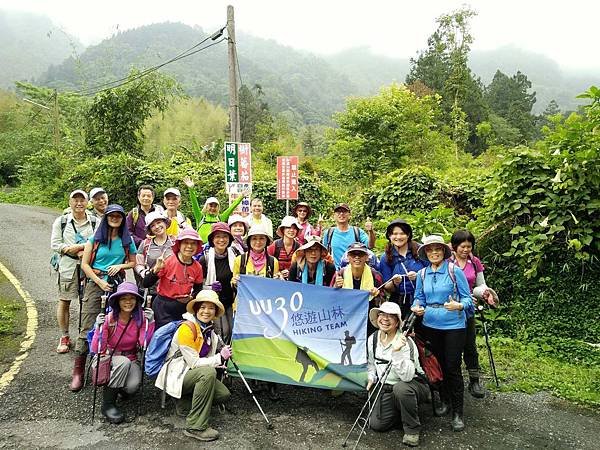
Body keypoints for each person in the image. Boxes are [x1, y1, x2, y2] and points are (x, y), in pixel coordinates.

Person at [70, 204, 137, 392]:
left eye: (118, 216)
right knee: (88, 325)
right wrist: (99, 282)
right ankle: (78, 372)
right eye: (111, 215)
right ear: (106, 217)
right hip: (96, 285)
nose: (115, 218)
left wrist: (121, 267)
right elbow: (84, 265)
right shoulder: (96, 239)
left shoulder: (126, 240)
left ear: (123, 219)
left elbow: (133, 261)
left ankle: (110, 367)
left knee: (115, 324)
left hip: (117, 286)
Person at [411, 235, 473, 432]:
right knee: (437, 366)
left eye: (437, 249)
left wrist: (459, 305)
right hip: (430, 324)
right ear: (426, 253)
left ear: (444, 252)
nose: (434, 252)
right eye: (430, 250)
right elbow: (418, 298)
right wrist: (417, 307)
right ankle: (444, 400)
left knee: (452, 366)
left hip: (454, 325)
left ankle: (457, 412)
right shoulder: (422, 274)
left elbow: (468, 299)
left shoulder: (454, 271)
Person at [156, 290, 231, 442]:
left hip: (191, 374)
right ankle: (195, 426)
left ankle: (184, 405)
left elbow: (206, 357)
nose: (206, 311)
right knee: (208, 373)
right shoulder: (187, 328)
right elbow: (195, 363)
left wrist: (219, 363)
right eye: (203, 307)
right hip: (177, 375)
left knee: (223, 394)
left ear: (215, 311)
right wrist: (218, 358)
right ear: (196, 309)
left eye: (211, 308)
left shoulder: (209, 330)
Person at [91, 281, 155, 424]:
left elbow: (144, 344)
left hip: (130, 358)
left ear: (137, 301)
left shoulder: (139, 319)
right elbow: (97, 349)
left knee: (132, 387)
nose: (128, 302)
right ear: (117, 301)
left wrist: (150, 323)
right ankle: (108, 404)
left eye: (132, 298)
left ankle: (117, 387)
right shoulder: (109, 319)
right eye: (123, 298)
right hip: (110, 357)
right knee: (123, 363)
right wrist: (98, 327)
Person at [367, 301, 429, 447]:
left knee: (401, 389)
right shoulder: (373, 339)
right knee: (377, 425)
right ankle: (403, 411)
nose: (385, 319)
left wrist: (397, 352)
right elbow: (371, 364)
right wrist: (371, 378)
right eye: (382, 314)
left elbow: (407, 377)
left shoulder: (405, 342)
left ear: (397, 322)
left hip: (413, 385)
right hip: (386, 387)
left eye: (391, 316)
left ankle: (412, 429)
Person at [231, 223, 280, 400]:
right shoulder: (240, 260)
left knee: (269, 345)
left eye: (261, 238)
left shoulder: (272, 262)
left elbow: (275, 288)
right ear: (249, 241)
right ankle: (253, 380)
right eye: (254, 238)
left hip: (266, 310)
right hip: (244, 309)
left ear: (266, 241)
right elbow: (232, 282)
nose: (258, 242)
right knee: (250, 343)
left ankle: (271, 382)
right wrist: (235, 281)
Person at [449, 229, 498, 399]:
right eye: (462, 246)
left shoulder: (474, 262)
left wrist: (485, 294)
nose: (466, 250)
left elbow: (480, 285)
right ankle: (452, 382)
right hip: (450, 310)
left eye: (469, 246)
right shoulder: (447, 262)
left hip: (468, 310)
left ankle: (474, 381)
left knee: (470, 345)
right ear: (455, 246)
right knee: (452, 347)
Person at [50, 189, 97, 353]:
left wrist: (81, 247)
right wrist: (71, 250)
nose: (79, 203)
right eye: (75, 200)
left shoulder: (94, 221)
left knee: (88, 302)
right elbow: (55, 244)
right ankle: (64, 336)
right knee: (65, 300)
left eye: (82, 200)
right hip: (68, 266)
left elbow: (99, 241)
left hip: (89, 267)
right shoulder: (61, 221)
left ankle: (86, 336)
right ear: (70, 203)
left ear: (87, 202)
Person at [143, 229, 204, 330]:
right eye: (186, 243)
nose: (189, 246)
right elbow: (146, 283)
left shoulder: (197, 267)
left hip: (183, 307)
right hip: (163, 306)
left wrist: (191, 298)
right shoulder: (168, 261)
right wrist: (156, 269)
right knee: (163, 337)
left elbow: (198, 288)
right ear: (179, 245)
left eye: (193, 243)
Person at [379, 219, 427, 320]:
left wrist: (418, 276)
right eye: (394, 234)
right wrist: (394, 283)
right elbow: (387, 287)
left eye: (402, 233)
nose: (398, 237)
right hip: (399, 301)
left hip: (423, 298)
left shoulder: (420, 250)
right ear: (389, 236)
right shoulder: (386, 257)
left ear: (408, 235)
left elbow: (433, 273)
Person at [198, 222, 237, 344]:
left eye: (225, 236)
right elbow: (198, 285)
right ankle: (220, 359)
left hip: (232, 300)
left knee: (234, 331)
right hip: (214, 302)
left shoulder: (236, 255)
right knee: (222, 331)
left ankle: (231, 358)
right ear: (212, 239)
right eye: (218, 237)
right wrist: (209, 288)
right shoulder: (205, 259)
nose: (221, 240)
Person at [332, 242, 384, 335]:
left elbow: (382, 301)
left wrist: (377, 294)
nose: (357, 257)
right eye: (353, 254)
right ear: (348, 257)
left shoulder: (375, 275)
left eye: (360, 254)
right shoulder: (340, 274)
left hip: (367, 318)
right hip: (346, 316)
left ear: (367, 257)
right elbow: (330, 297)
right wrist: (336, 287)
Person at [183, 176, 248, 243]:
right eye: (211, 206)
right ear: (206, 206)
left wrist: (241, 197)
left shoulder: (220, 218)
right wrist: (191, 189)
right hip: (201, 249)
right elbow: (194, 204)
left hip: (215, 248)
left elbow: (231, 208)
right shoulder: (200, 217)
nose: (213, 208)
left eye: (215, 206)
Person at [322, 203, 375, 269]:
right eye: (338, 212)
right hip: (336, 273)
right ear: (334, 216)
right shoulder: (329, 233)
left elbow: (370, 245)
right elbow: (324, 253)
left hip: (355, 271)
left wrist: (371, 231)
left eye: (344, 211)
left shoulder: (357, 231)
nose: (341, 214)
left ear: (349, 215)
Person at [134, 211, 174, 293]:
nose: (157, 227)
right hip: (152, 288)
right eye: (152, 225)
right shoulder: (145, 244)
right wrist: (144, 273)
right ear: (150, 230)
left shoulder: (176, 242)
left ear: (165, 223)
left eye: (159, 222)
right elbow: (138, 263)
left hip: (172, 287)